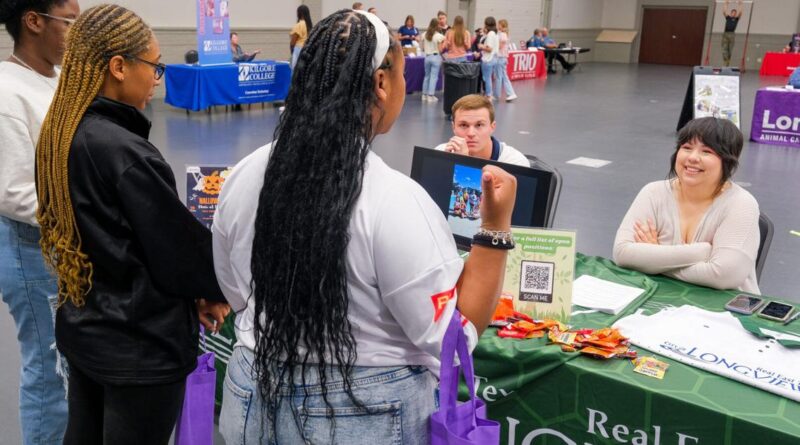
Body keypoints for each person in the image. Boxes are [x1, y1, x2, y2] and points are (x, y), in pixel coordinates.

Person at [213, 9, 517, 444]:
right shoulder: (393, 199)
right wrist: (494, 228)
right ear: (380, 83)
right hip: (361, 414)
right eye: (399, 75)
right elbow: (451, 336)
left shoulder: (243, 175)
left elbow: (237, 292)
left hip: (251, 395)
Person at [35, 5, 230, 444]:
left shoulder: (62, 133)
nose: (156, 79)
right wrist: (214, 291)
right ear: (119, 67)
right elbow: (179, 252)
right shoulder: (126, 154)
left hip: (86, 330)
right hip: (139, 349)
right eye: (155, 67)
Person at [0, 2, 80, 443]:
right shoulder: (7, 91)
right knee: (48, 375)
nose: (77, 32)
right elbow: (13, 192)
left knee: (68, 365)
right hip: (32, 250)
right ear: (34, 21)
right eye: (71, 23)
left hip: (64, 247)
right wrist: (89, 215)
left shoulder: (54, 80)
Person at [613, 117, 760, 294]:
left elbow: (725, 275)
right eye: (686, 148)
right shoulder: (653, 193)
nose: (692, 157)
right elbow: (623, 254)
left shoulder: (741, 204)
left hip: (725, 311)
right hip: (661, 300)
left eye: (707, 151)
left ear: (728, 161)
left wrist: (655, 257)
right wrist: (703, 251)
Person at [435, 94, 530, 167]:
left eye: (479, 125)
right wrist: (445, 164)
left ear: (492, 127)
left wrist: (463, 161)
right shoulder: (440, 153)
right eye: (463, 125)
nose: (471, 133)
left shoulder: (514, 162)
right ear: (453, 127)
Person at [422, 17, 445, 102]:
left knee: (427, 76)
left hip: (427, 57)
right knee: (433, 77)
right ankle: (430, 96)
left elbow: (423, 48)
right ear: (437, 25)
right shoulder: (439, 36)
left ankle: (424, 95)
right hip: (435, 57)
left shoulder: (424, 34)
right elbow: (441, 50)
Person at [494, 19, 517, 102]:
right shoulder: (502, 34)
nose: (497, 25)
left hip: (501, 58)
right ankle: (510, 93)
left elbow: (499, 46)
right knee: (503, 76)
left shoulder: (502, 35)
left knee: (499, 76)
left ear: (501, 25)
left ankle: (497, 95)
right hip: (502, 58)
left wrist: (491, 46)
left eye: (498, 24)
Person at [478, 17, 500, 100]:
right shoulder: (495, 34)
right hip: (494, 58)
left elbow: (489, 48)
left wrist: (481, 46)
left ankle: (488, 95)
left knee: (486, 78)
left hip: (488, 59)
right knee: (489, 78)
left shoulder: (490, 34)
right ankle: (489, 93)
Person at [721, 0, 743, 67]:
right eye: (732, 12)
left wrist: (740, 4)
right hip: (725, 34)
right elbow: (724, 12)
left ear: (735, 14)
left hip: (732, 35)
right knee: (724, 50)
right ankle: (725, 62)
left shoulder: (736, 19)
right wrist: (726, 3)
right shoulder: (728, 18)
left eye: (735, 13)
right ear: (731, 13)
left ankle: (727, 63)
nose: (734, 14)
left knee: (730, 50)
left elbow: (740, 13)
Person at [290, 5, 312, 69]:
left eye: (297, 12)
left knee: (295, 71)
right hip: (307, 49)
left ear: (300, 13)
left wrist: (292, 52)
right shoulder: (309, 25)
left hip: (298, 49)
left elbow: (293, 42)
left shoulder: (299, 25)